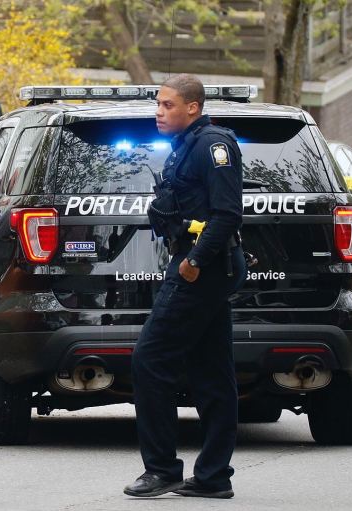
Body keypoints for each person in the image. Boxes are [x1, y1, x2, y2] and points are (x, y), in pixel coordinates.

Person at [124, 74, 245, 500]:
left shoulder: (214, 146)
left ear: (192, 107)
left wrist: (194, 261)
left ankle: (161, 469)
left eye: (168, 105)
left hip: (202, 267)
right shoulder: (185, 147)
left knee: (149, 360)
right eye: (158, 104)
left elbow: (228, 213)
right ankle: (213, 477)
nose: (159, 111)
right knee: (212, 372)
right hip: (196, 262)